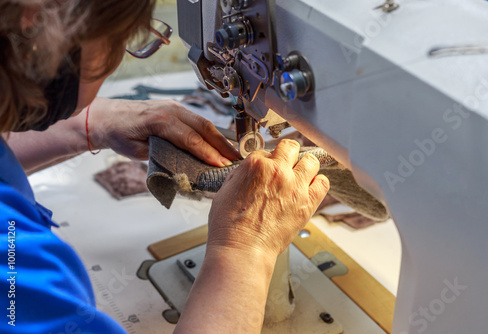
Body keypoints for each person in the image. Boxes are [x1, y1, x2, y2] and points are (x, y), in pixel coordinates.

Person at [0, 1, 330, 333]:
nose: (117, 56)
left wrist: (91, 122)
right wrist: (245, 249)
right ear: (37, 25)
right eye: (121, 39)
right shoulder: (15, 264)